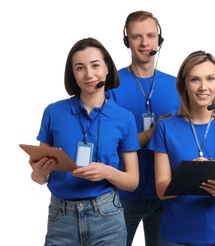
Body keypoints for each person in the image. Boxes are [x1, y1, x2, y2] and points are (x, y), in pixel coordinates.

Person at [29, 37, 140, 246]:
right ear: (72, 73)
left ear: (107, 68)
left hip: (107, 216)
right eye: (80, 68)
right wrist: (40, 173)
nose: (89, 74)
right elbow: (38, 177)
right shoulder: (53, 112)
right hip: (60, 217)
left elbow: (133, 181)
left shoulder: (124, 118)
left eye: (95, 65)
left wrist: (107, 172)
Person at [147, 50, 215, 246]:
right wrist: (188, 176)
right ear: (184, 85)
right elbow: (161, 190)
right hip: (175, 237)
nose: (203, 87)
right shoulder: (165, 127)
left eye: (210, 79)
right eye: (195, 79)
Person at [109, 10, 179, 246]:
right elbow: (110, 147)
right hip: (122, 195)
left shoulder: (177, 85)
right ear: (126, 40)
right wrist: (153, 133)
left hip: (166, 193)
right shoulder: (111, 85)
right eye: (137, 36)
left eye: (150, 35)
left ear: (160, 39)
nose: (145, 42)